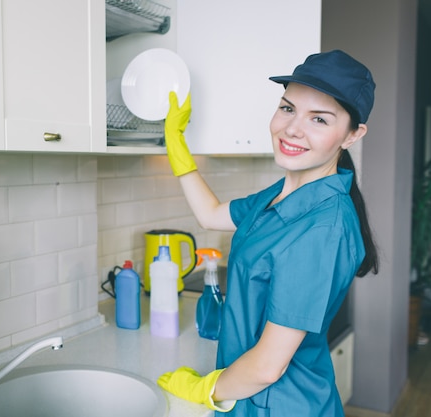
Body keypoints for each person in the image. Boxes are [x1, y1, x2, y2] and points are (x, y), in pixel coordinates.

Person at [157, 50, 380, 416]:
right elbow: (212, 215)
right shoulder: (283, 194)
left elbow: (267, 367)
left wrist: (203, 388)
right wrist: (176, 145)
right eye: (288, 108)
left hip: (281, 404)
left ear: (353, 135)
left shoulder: (323, 228)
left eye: (319, 119)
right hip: (244, 390)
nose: (292, 129)